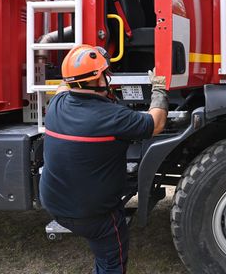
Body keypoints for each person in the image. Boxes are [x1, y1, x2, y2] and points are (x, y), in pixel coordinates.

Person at [39, 44, 168, 274]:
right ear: (99, 80)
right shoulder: (113, 117)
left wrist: (83, 58)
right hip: (95, 215)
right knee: (111, 262)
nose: (109, 76)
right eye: (105, 72)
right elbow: (156, 123)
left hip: (56, 206)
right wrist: (159, 87)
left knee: (103, 256)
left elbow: (63, 86)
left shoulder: (56, 105)